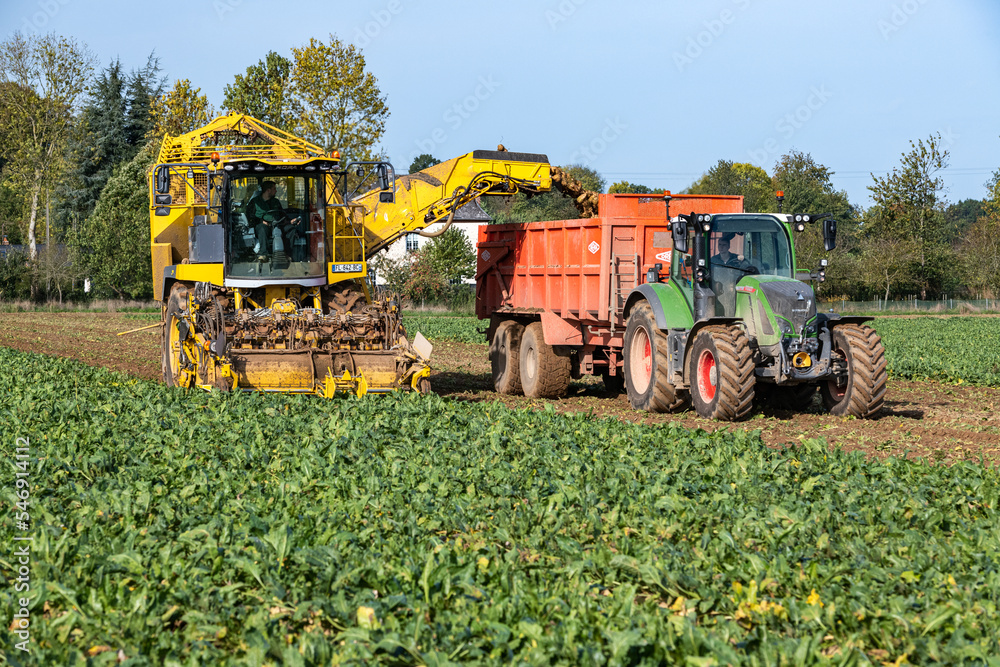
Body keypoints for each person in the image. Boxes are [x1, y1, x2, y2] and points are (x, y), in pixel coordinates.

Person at [247, 180, 300, 260]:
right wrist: (261, 221)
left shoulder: (276, 202)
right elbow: (250, 217)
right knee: (261, 228)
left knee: (291, 229)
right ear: (268, 190)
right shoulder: (255, 202)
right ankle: (263, 254)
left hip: (277, 225)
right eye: (274, 189)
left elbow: (282, 215)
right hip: (263, 226)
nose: (276, 191)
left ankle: (287, 255)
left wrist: (290, 221)